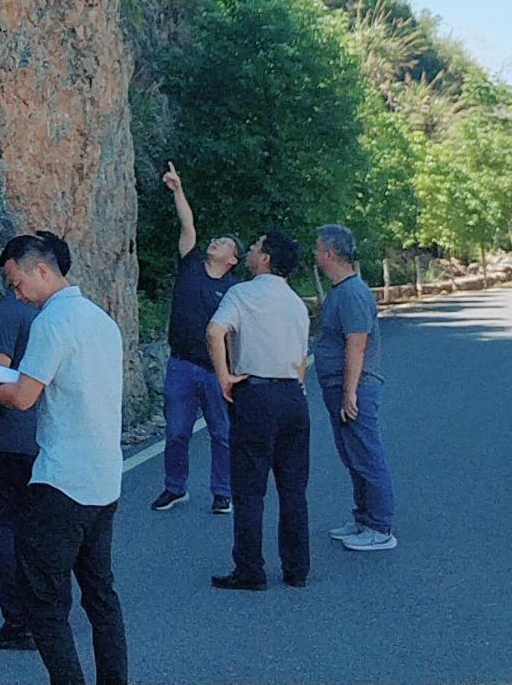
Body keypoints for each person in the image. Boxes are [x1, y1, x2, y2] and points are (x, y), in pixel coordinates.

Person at [0, 231, 128, 685]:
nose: (17, 293)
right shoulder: (102, 320)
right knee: (101, 598)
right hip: (106, 479)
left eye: (17, 283)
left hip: (60, 483)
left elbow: (24, 396)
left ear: (42, 270)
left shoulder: (53, 322)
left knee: (45, 605)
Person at [206, 229, 313, 591]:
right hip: (292, 397)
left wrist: (224, 375)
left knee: (250, 488)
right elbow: (301, 361)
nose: (250, 251)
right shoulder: (297, 303)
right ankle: (297, 568)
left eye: (254, 248)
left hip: (256, 393)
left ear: (265, 259)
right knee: (293, 488)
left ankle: (250, 568)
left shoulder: (241, 294)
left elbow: (214, 330)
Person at [0, 234, 52, 651]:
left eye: (13, 278)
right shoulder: (54, 314)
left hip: (12, 438)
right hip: (46, 441)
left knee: (3, 528)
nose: (13, 286)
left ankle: (18, 621)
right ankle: (47, 616)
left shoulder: (9, 311)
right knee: (39, 532)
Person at [152, 163, 240, 515]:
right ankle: (175, 487)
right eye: (215, 239)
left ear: (232, 260)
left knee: (221, 433)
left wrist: (232, 375)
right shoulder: (189, 264)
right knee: (176, 432)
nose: (214, 242)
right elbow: (187, 224)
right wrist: (177, 190)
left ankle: (223, 492)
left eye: (223, 244)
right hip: (181, 364)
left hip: (214, 370)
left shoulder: (234, 292)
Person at [313, 224, 396, 552]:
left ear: (330, 254)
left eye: (319, 249)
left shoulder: (352, 294)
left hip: (356, 387)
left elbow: (356, 345)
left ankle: (380, 526)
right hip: (340, 386)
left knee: (367, 454)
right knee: (352, 455)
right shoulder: (342, 291)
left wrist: (350, 392)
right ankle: (363, 517)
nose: (316, 254)